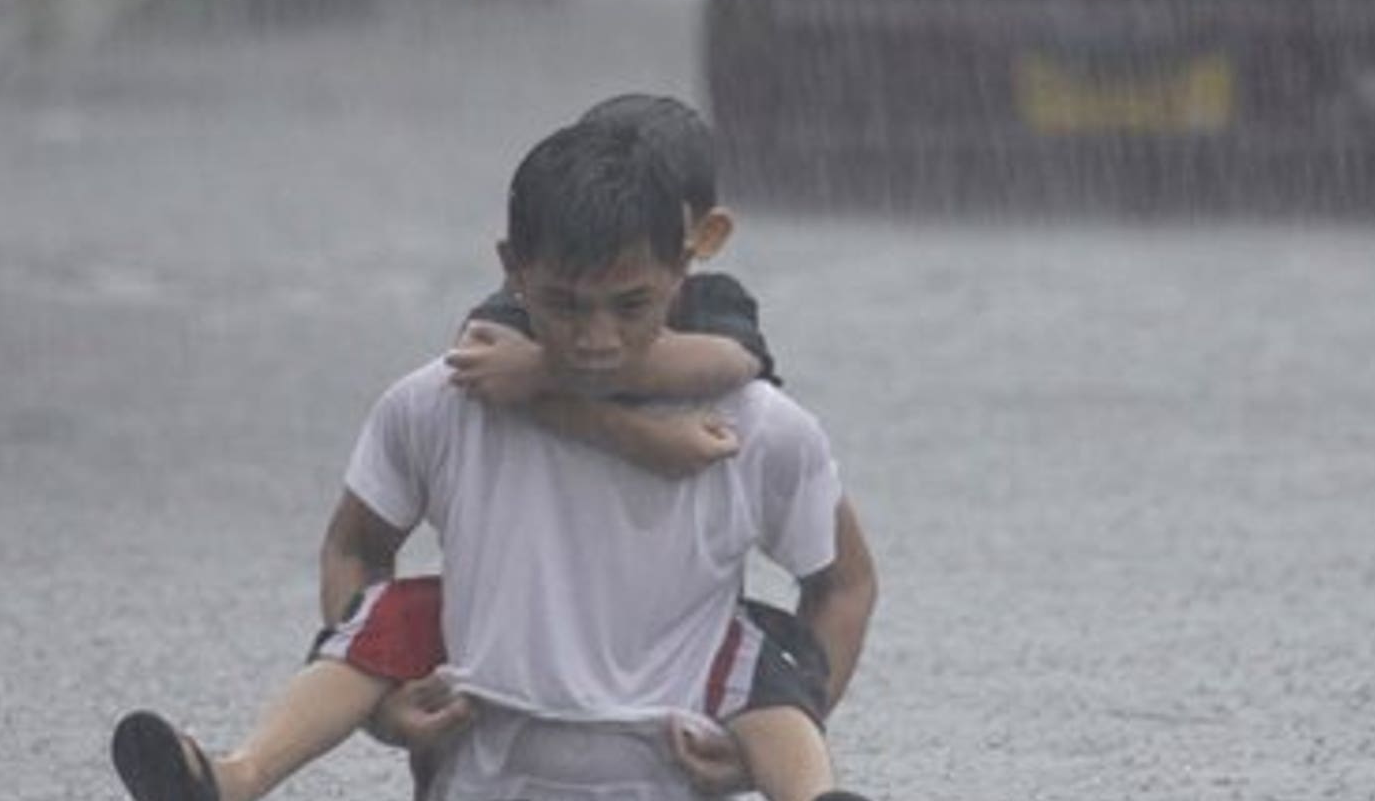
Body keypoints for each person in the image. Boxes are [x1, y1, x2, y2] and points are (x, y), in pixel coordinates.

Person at [111, 107, 878, 801]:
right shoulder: (442, 401)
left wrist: (757, 753)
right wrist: (385, 707)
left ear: (686, 267)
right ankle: (236, 776)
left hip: (670, 766)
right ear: (513, 269)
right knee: (391, 611)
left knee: (762, 647)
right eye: (565, 304)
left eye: (631, 305)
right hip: (478, 767)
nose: (596, 338)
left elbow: (843, 585)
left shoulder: (760, 427)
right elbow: (355, 547)